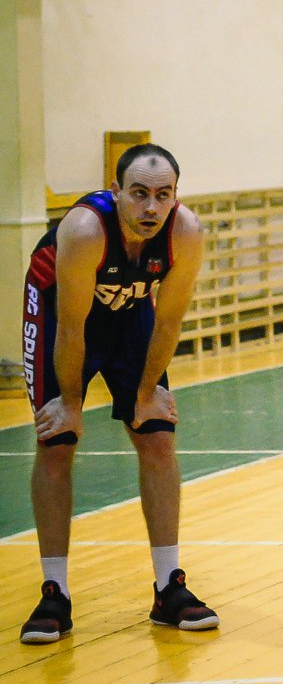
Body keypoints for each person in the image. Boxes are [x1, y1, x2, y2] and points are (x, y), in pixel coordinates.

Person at [19, 144, 215, 644]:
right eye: (140, 194)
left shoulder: (186, 232)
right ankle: (54, 592)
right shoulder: (86, 231)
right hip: (60, 311)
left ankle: (169, 588)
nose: (151, 207)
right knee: (56, 440)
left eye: (163, 195)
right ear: (117, 192)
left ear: (176, 196)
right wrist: (70, 402)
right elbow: (71, 328)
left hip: (130, 311)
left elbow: (168, 321)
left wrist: (146, 393)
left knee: (157, 435)